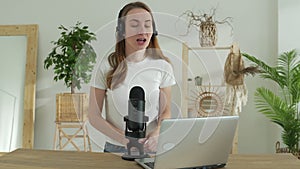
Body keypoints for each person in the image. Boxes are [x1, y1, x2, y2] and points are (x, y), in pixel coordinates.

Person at [88, 1, 176, 153]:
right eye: (134, 25)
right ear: (122, 31)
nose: (142, 30)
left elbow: (165, 111)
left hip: (152, 148)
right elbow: (94, 116)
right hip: (116, 148)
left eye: (147, 25)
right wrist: (124, 139)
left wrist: (157, 133)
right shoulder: (105, 67)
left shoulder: (163, 66)